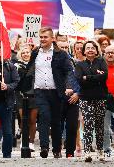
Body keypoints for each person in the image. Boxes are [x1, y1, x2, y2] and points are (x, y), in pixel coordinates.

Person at [24, 27, 74, 158]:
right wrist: (24, 85)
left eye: (45, 37)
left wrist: (68, 86)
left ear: (52, 38)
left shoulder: (61, 54)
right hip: (40, 91)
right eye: (41, 37)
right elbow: (29, 68)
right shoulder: (35, 52)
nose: (42, 39)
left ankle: (57, 148)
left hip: (56, 92)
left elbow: (69, 71)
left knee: (56, 121)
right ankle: (44, 147)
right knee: (44, 118)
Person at [75, 41, 108, 162]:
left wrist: (87, 77)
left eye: (92, 48)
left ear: (96, 50)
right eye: (87, 48)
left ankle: (100, 150)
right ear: (84, 51)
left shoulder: (101, 62)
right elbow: (79, 79)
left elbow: (104, 76)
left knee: (99, 125)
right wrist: (95, 76)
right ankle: (87, 150)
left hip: (100, 97)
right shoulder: (79, 65)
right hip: (85, 98)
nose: (90, 50)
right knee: (88, 124)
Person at [57, 41, 80, 158]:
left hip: (73, 99)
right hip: (58, 98)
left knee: (72, 126)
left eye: (66, 47)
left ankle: (70, 152)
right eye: (62, 47)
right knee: (57, 126)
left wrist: (77, 93)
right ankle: (57, 149)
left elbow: (81, 80)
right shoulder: (51, 62)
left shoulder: (75, 63)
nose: (65, 49)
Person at [14, 46, 37, 152]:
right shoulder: (16, 66)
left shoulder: (36, 65)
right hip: (21, 95)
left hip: (34, 95)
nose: (26, 54)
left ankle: (31, 142)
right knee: (24, 120)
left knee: (32, 120)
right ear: (20, 54)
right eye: (23, 52)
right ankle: (24, 140)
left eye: (28, 52)